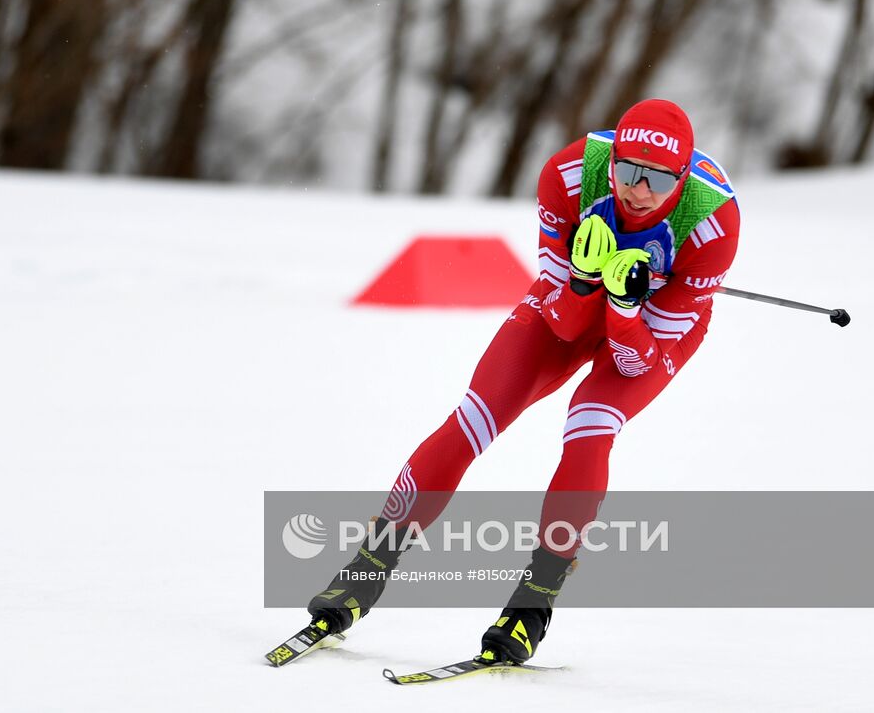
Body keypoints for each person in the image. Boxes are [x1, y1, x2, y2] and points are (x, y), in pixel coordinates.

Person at [306, 99, 740, 663]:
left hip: (650, 328)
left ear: (682, 177)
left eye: (658, 180)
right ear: (611, 162)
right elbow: (561, 323)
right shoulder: (569, 173)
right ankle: (364, 573)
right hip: (570, 305)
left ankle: (531, 605)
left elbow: (634, 363)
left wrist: (628, 307)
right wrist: (585, 282)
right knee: (474, 418)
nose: (638, 191)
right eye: (628, 171)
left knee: (591, 424)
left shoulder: (713, 225)